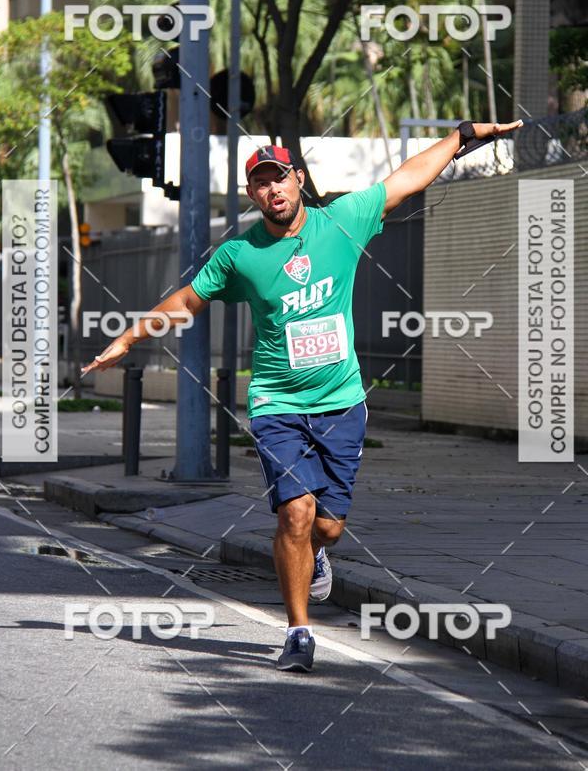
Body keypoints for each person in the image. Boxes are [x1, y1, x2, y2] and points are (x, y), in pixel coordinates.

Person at [82, 119, 522, 672]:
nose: (274, 190)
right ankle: (298, 633)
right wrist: (126, 338)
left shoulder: (342, 222)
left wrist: (462, 136)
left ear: (298, 179)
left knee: (328, 526)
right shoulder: (239, 255)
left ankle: (315, 557)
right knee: (295, 513)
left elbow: (406, 179)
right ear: (252, 193)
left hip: (341, 401)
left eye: (281, 178)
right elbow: (185, 303)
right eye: (262, 182)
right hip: (277, 404)